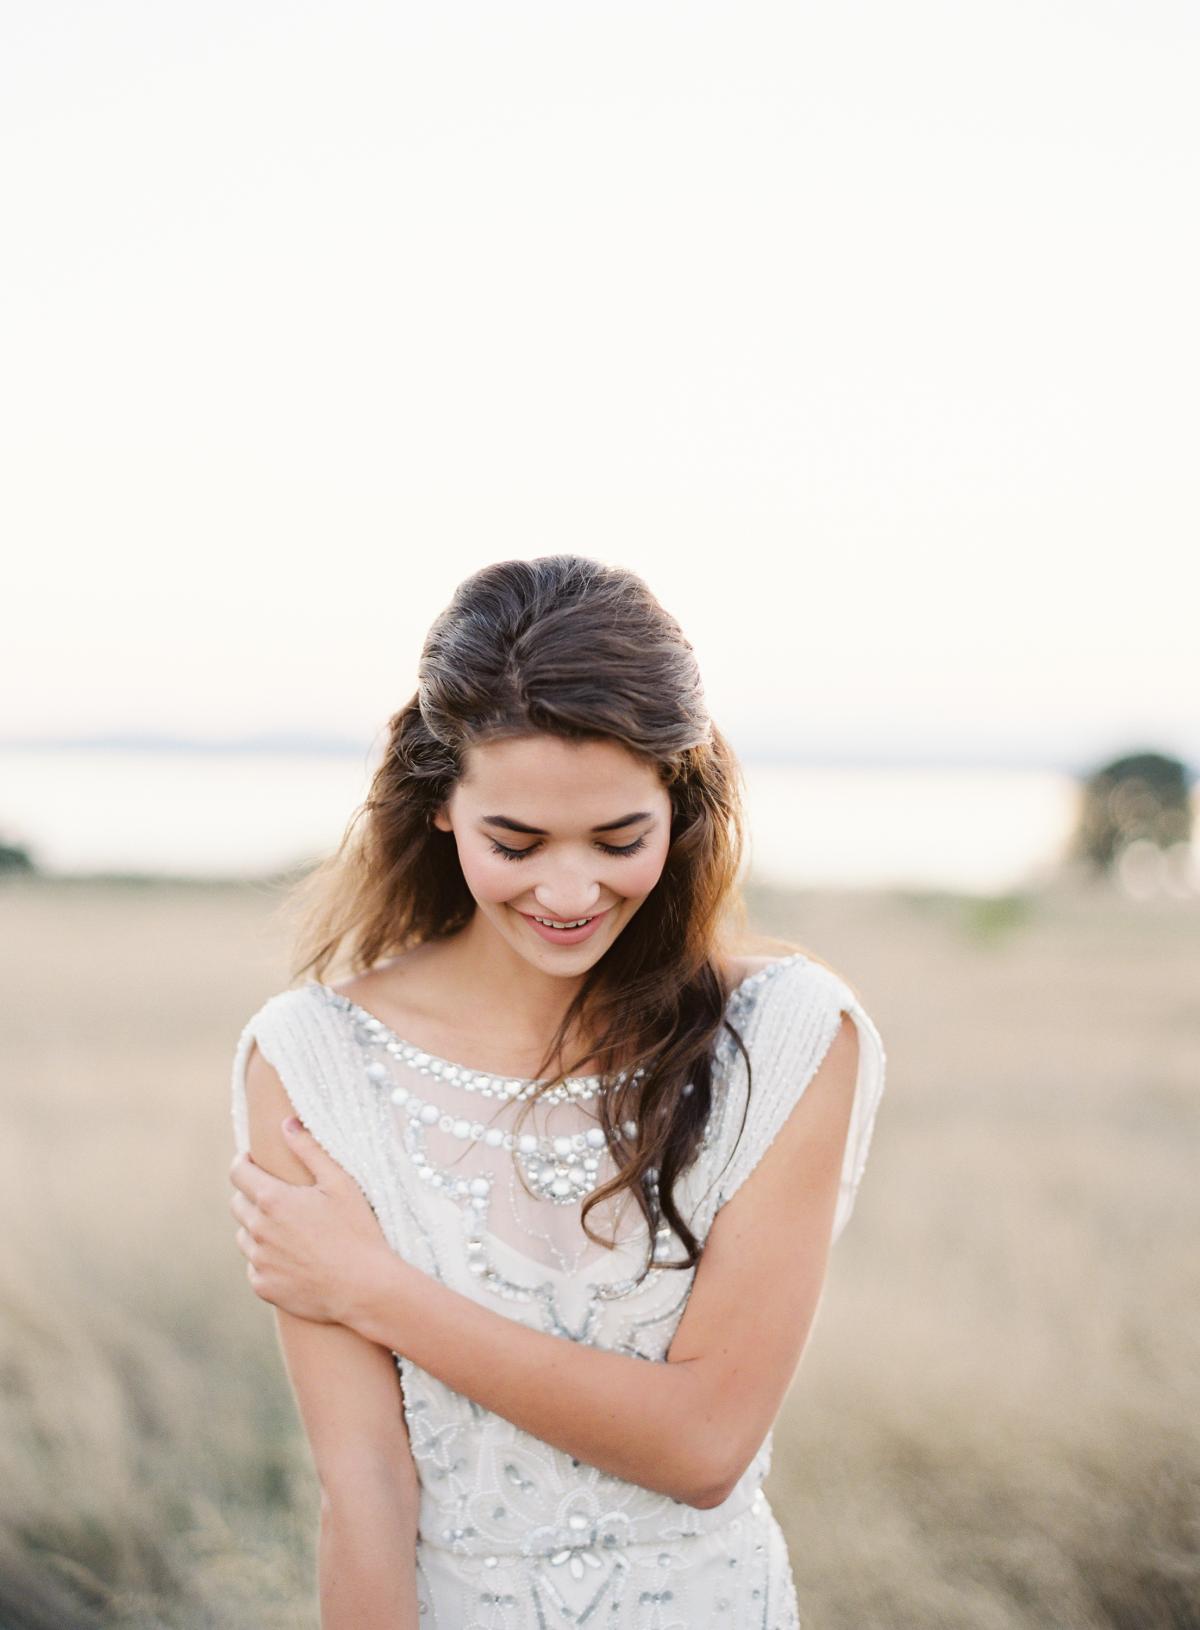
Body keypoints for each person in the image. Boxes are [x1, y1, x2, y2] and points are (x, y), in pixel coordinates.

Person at [227, 554, 887, 1629]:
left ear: (680, 805)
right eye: (517, 842)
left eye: (620, 839)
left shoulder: (791, 1035)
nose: (571, 891)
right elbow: (365, 1492)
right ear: (441, 803)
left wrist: (374, 1288)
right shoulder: (314, 1060)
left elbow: (705, 1445)